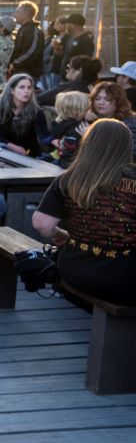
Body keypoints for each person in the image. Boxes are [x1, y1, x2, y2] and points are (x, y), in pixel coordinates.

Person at [33, 118, 136, 307]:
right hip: (124, 280)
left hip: (74, 271)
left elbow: (42, 224)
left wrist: (60, 234)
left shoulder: (69, 179)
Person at [0, 73, 50, 157]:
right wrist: (10, 146)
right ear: (12, 90)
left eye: (29, 88)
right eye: (22, 87)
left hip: (25, 156)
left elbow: (43, 134)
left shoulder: (36, 112)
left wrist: (53, 140)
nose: (26, 91)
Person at [87, 81, 136, 159]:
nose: (101, 102)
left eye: (107, 99)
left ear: (118, 101)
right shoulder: (93, 119)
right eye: (97, 98)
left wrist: (93, 138)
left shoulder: (129, 123)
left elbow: (130, 153)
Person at [36, 54, 101, 106]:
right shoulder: (94, 87)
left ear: (79, 70)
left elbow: (39, 99)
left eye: (69, 66)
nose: (67, 70)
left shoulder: (70, 87)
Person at [48, 91, 89, 168]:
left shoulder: (61, 123)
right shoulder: (75, 129)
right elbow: (69, 151)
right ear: (77, 110)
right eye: (86, 109)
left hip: (61, 158)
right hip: (68, 164)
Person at [8, 1, 45, 80]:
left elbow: (31, 52)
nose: (15, 14)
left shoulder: (33, 30)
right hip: (19, 72)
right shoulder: (23, 29)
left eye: (17, 12)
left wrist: (15, 63)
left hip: (28, 74)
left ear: (25, 14)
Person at [58, 13, 94, 80]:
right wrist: (56, 48)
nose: (66, 26)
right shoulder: (71, 38)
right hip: (65, 76)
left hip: (75, 79)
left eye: (68, 24)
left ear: (73, 25)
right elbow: (65, 55)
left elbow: (86, 61)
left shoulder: (86, 41)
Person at [41, 16, 66, 90]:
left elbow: (53, 53)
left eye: (58, 24)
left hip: (54, 68)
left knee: (52, 89)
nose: (55, 26)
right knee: (47, 88)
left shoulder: (63, 39)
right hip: (47, 68)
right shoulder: (54, 38)